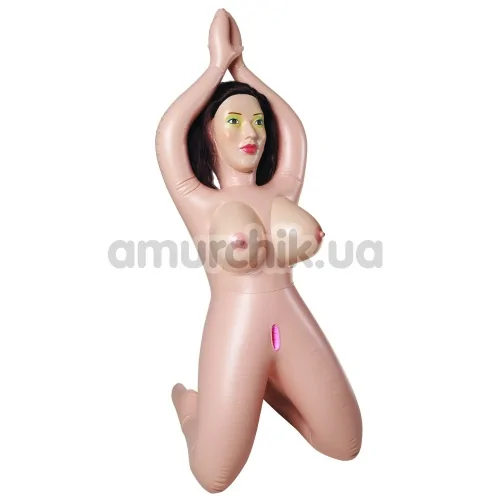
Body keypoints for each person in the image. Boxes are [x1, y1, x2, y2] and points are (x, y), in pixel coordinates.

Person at [155, 9, 362, 494]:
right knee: (213, 476)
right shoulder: (198, 200)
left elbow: (295, 131)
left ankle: (264, 386)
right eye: (233, 121)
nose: (251, 133)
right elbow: (168, 133)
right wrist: (216, 68)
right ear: (208, 133)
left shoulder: (283, 188)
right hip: (236, 330)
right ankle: (191, 408)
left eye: (257, 121)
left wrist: (243, 70)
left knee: (344, 443)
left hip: (290, 319)